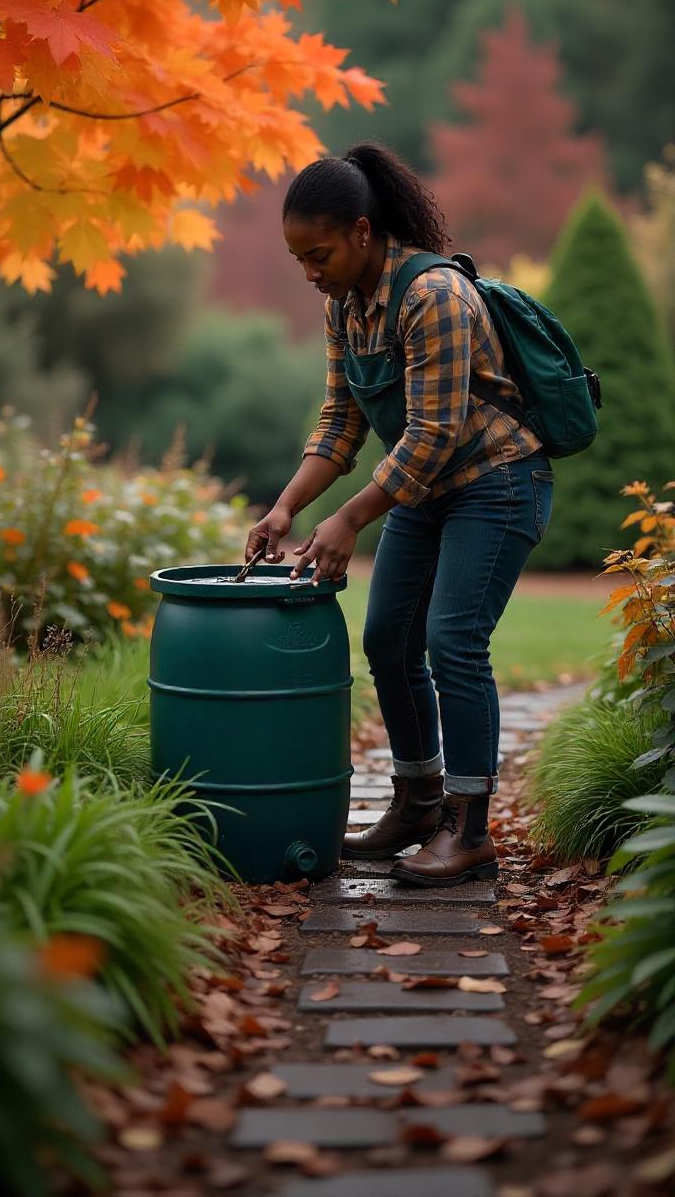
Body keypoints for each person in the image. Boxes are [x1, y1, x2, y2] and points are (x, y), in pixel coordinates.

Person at [243, 142, 554, 887]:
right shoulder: (344, 307)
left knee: (454, 642)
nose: (310, 272)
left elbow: (435, 433)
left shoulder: (434, 296)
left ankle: (469, 828)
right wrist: (285, 508)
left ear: (362, 231)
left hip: (496, 483)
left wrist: (349, 519)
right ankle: (417, 803)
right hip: (425, 488)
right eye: (298, 259)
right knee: (388, 639)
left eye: (318, 254)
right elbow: (341, 421)